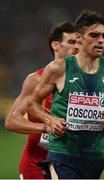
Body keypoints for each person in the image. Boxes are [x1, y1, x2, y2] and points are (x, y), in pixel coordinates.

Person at [27, 10, 104, 179]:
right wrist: (50, 119)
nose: (101, 40)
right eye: (94, 35)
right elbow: (32, 104)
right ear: (79, 37)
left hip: (95, 155)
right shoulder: (58, 68)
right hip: (62, 152)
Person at [5, 21, 79, 179]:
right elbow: (11, 121)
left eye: (79, 43)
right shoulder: (36, 80)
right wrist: (47, 127)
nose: (77, 47)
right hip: (36, 164)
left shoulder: (85, 82)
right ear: (55, 45)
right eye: (71, 42)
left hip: (69, 163)